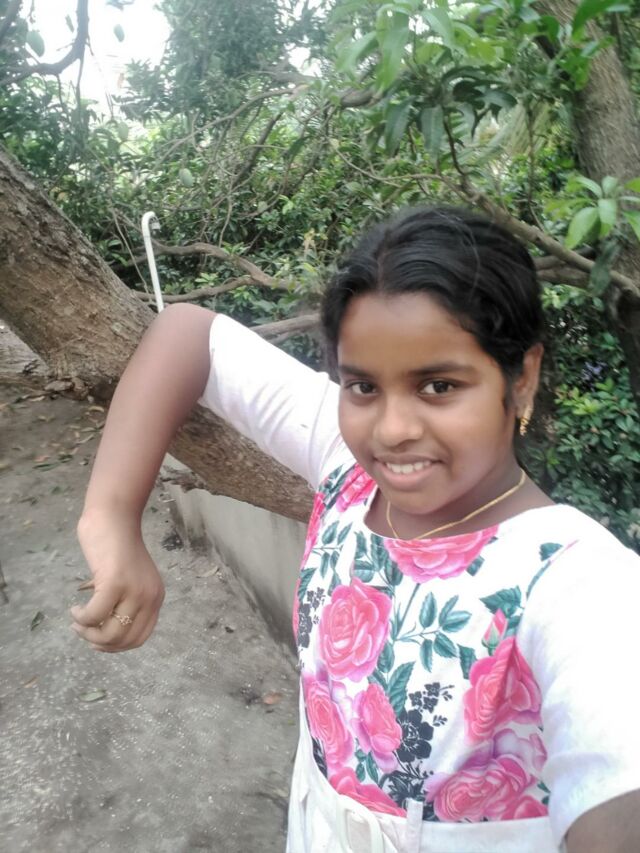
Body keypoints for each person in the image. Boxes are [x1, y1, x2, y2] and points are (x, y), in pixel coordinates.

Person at [72, 206, 640, 852]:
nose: (392, 429)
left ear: (522, 378)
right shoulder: (349, 470)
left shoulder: (577, 581)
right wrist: (112, 515)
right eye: (362, 386)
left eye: (439, 386)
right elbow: (188, 333)